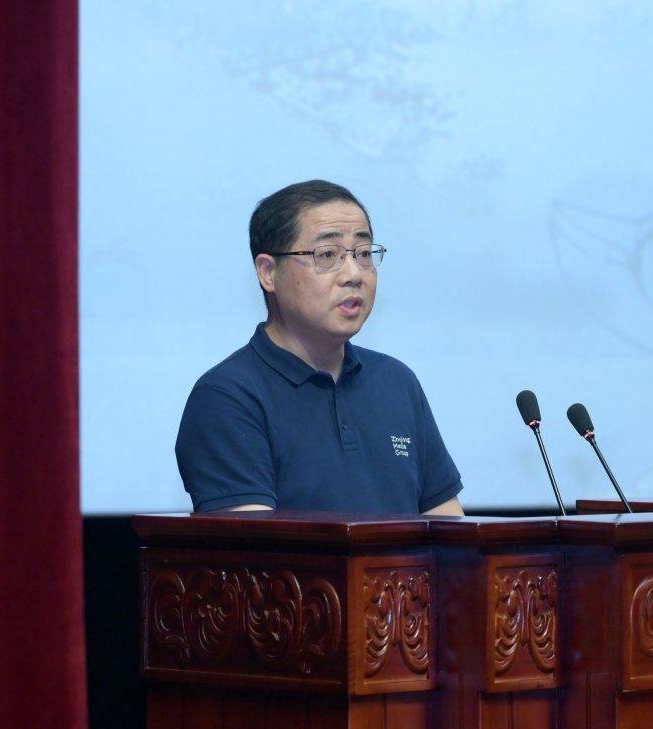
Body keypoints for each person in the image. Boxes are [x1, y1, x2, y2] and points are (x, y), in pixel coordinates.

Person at [175, 180, 464, 516]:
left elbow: (449, 529)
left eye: (364, 254)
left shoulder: (396, 381)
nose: (354, 274)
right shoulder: (227, 396)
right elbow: (253, 545)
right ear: (268, 272)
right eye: (327, 255)